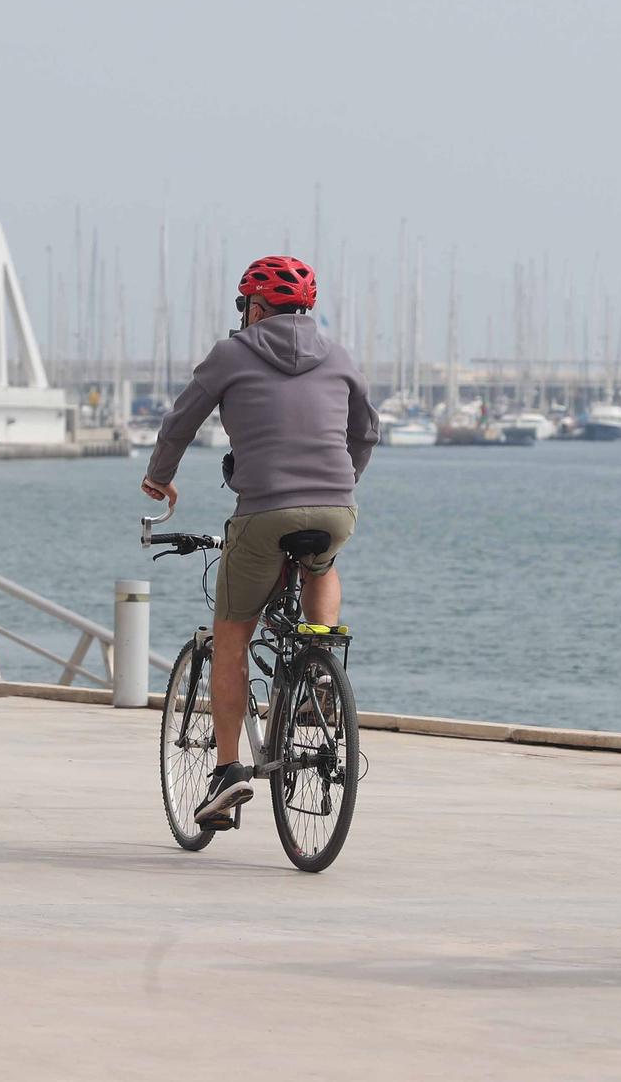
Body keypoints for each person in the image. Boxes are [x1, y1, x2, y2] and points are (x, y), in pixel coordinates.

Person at [139, 256, 379, 825]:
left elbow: (181, 420)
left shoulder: (232, 354)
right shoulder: (339, 355)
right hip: (336, 507)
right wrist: (341, 483)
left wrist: (160, 476)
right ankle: (319, 662)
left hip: (263, 512)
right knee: (321, 564)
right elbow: (365, 431)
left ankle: (225, 773)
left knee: (232, 636)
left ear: (255, 306)